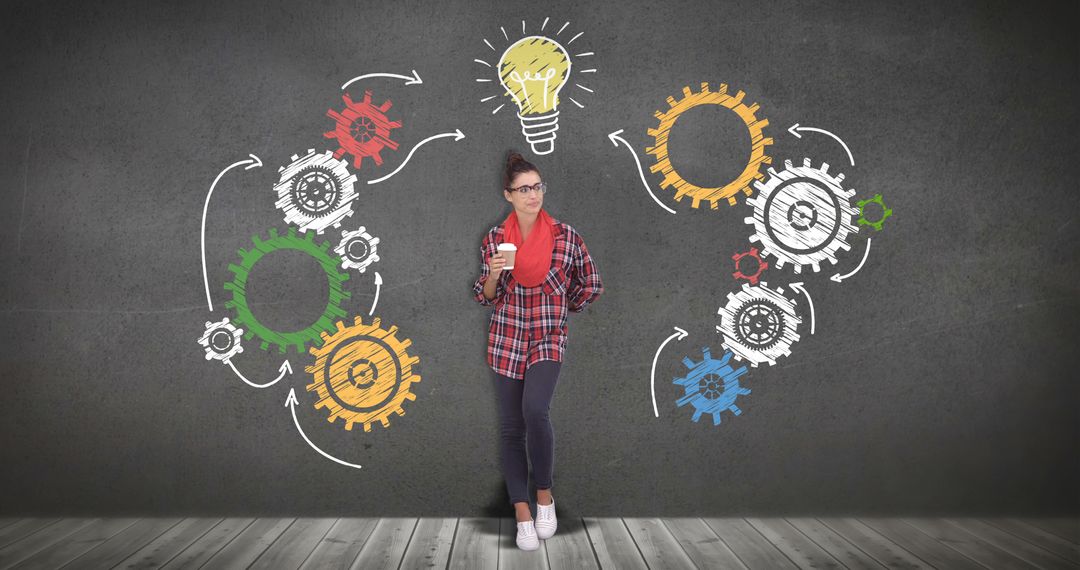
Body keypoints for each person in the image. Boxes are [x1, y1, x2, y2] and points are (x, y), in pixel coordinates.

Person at [471, 151, 604, 551]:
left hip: (548, 337)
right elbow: (486, 297)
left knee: (535, 410)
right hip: (507, 337)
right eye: (524, 189)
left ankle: (544, 496)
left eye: (538, 186)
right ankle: (522, 513)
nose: (533, 195)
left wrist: (565, 307)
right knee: (512, 428)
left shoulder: (566, 236)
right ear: (508, 195)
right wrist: (494, 274)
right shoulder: (496, 239)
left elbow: (591, 282)